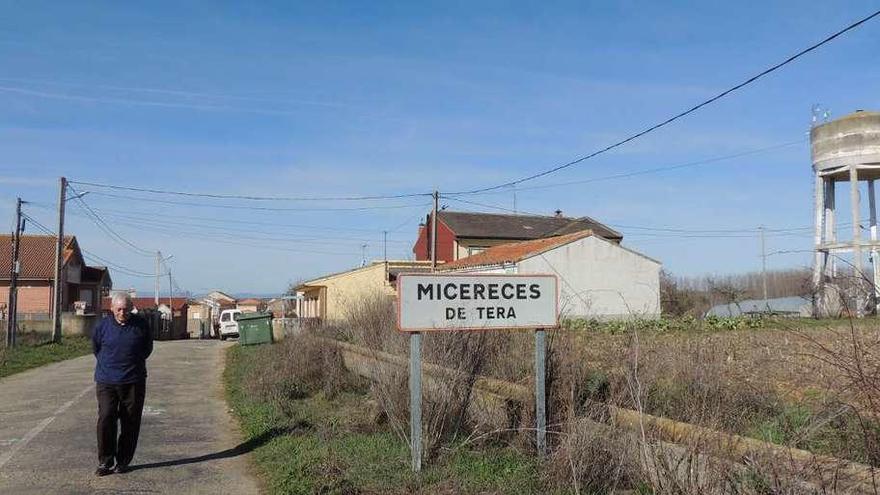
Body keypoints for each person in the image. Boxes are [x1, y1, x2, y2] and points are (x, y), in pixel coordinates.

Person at [92, 292, 153, 476]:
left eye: (125, 309)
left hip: (133, 381)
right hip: (106, 381)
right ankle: (105, 461)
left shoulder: (141, 325)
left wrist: (133, 365)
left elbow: (147, 348)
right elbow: (96, 348)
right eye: (118, 309)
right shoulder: (102, 326)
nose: (122, 313)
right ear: (111, 309)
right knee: (106, 417)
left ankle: (123, 461)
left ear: (131, 307)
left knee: (130, 422)